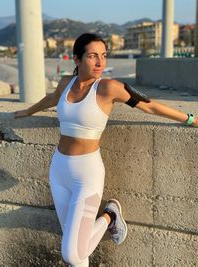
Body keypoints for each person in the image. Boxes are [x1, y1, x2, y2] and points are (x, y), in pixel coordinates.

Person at [14, 33, 198, 267]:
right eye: (92, 56)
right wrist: (28, 112)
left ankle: (110, 214)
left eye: (103, 56)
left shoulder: (109, 88)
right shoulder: (65, 83)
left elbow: (150, 107)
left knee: (72, 254)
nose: (101, 62)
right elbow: (52, 98)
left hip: (86, 175)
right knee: (79, 258)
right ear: (77, 59)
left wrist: (190, 119)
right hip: (59, 170)